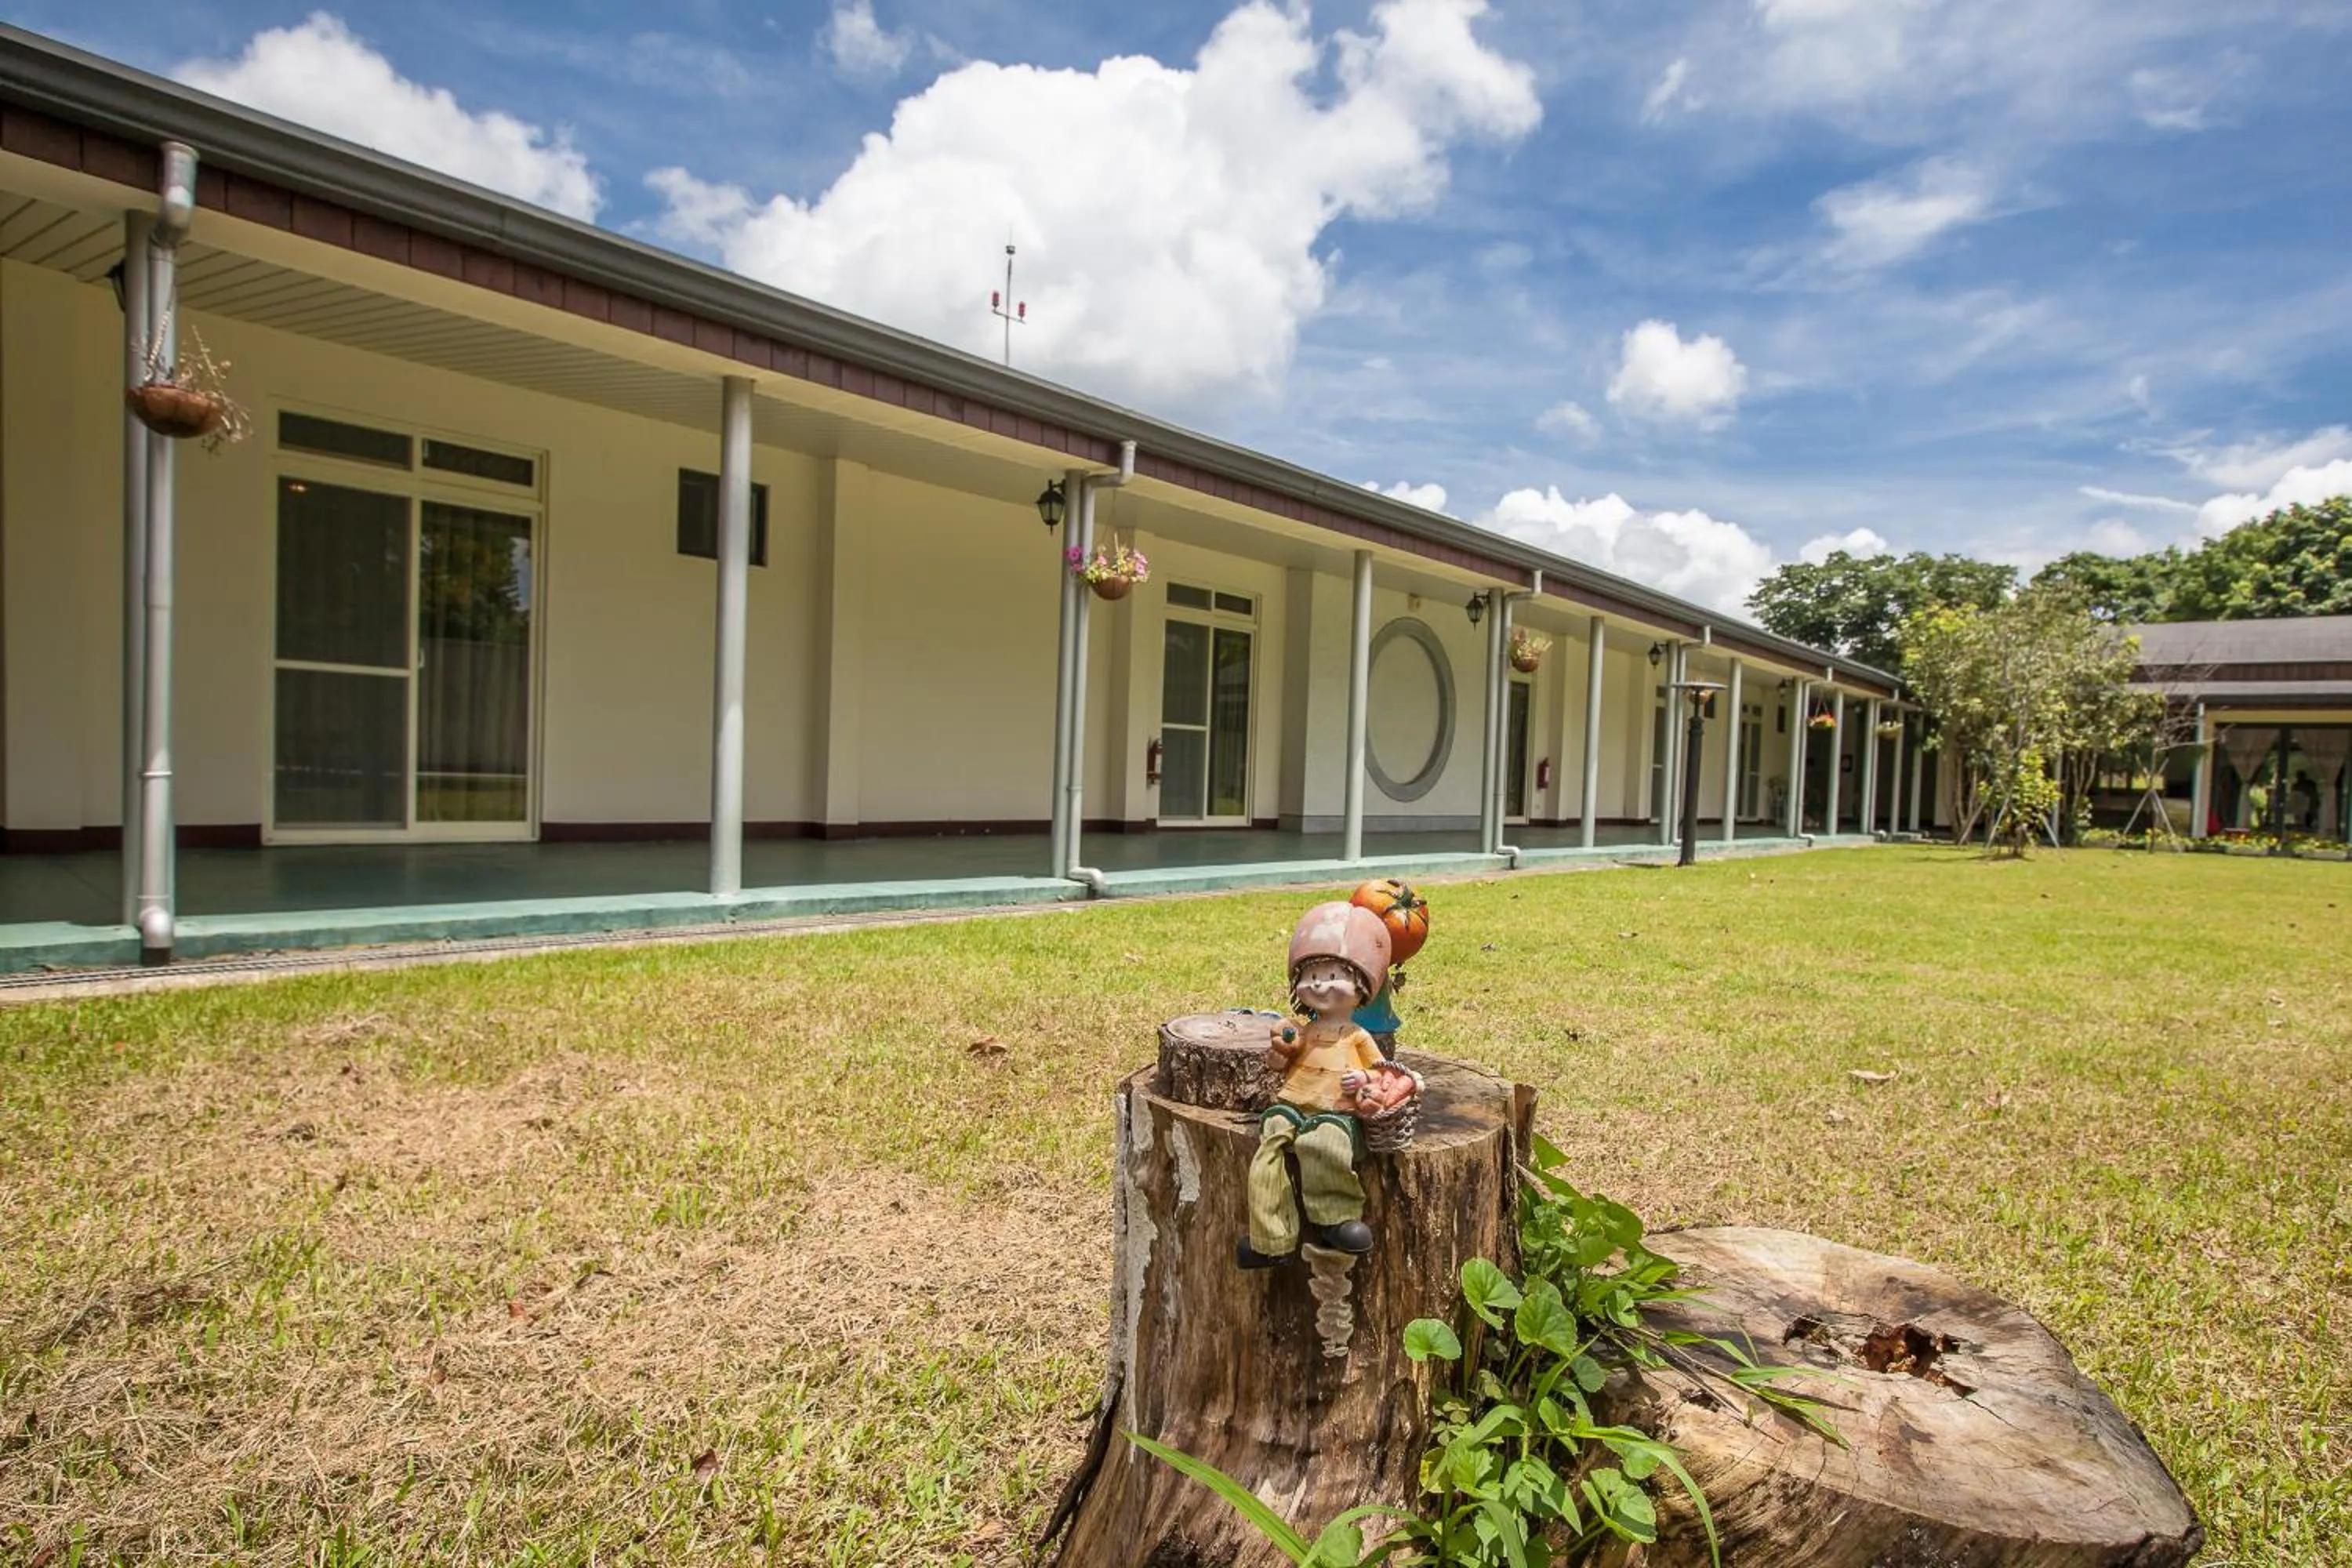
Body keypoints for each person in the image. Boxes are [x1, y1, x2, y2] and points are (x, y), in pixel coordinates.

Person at [1238, 902, 1422, 1269]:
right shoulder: (1303, 1032)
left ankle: (1336, 1219)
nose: (1320, 984)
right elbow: (1281, 1063)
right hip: (1292, 1102)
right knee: (1270, 1142)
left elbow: (1380, 1071)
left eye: (1334, 975)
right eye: (1311, 976)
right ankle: (1270, 1236)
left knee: (1323, 1145)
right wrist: (1279, 1053)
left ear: (1362, 986)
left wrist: (1365, 1079)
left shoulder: (1356, 1036)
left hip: (1336, 1110)